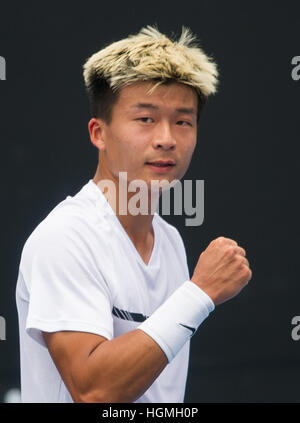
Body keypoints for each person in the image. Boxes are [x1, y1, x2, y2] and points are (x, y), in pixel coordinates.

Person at [15, 25, 252, 403]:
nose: (166, 138)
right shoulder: (64, 237)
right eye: (145, 119)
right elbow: (95, 392)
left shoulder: (170, 242)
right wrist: (200, 292)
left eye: (183, 121)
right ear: (99, 133)